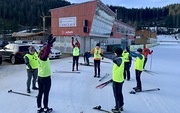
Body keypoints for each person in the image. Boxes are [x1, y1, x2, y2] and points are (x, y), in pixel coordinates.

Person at [37, 34, 56, 113]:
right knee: (46, 94)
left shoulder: (40, 56)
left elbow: (46, 50)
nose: (49, 54)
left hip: (40, 77)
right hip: (46, 78)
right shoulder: (43, 58)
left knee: (40, 93)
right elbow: (46, 51)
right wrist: (48, 44)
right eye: (49, 53)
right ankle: (45, 108)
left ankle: (39, 108)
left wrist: (50, 44)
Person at [112, 48, 124, 113]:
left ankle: (117, 108)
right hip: (118, 78)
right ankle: (121, 105)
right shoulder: (121, 58)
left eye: (115, 52)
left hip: (117, 80)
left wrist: (103, 55)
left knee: (116, 94)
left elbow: (116, 60)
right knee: (119, 93)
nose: (114, 53)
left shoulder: (119, 59)